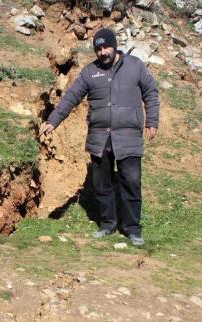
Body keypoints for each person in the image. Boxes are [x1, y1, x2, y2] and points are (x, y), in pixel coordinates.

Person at [42, 28, 159, 246]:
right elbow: (72, 97)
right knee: (102, 184)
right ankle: (107, 224)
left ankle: (132, 229)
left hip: (128, 137)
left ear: (115, 46)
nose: (103, 52)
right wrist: (53, 120)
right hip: (99, 138)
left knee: (131, 183)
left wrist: (152, 121)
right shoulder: (90, 72)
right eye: (98, 48)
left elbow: (151, 93)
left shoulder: (135, 66)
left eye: (106, 47)